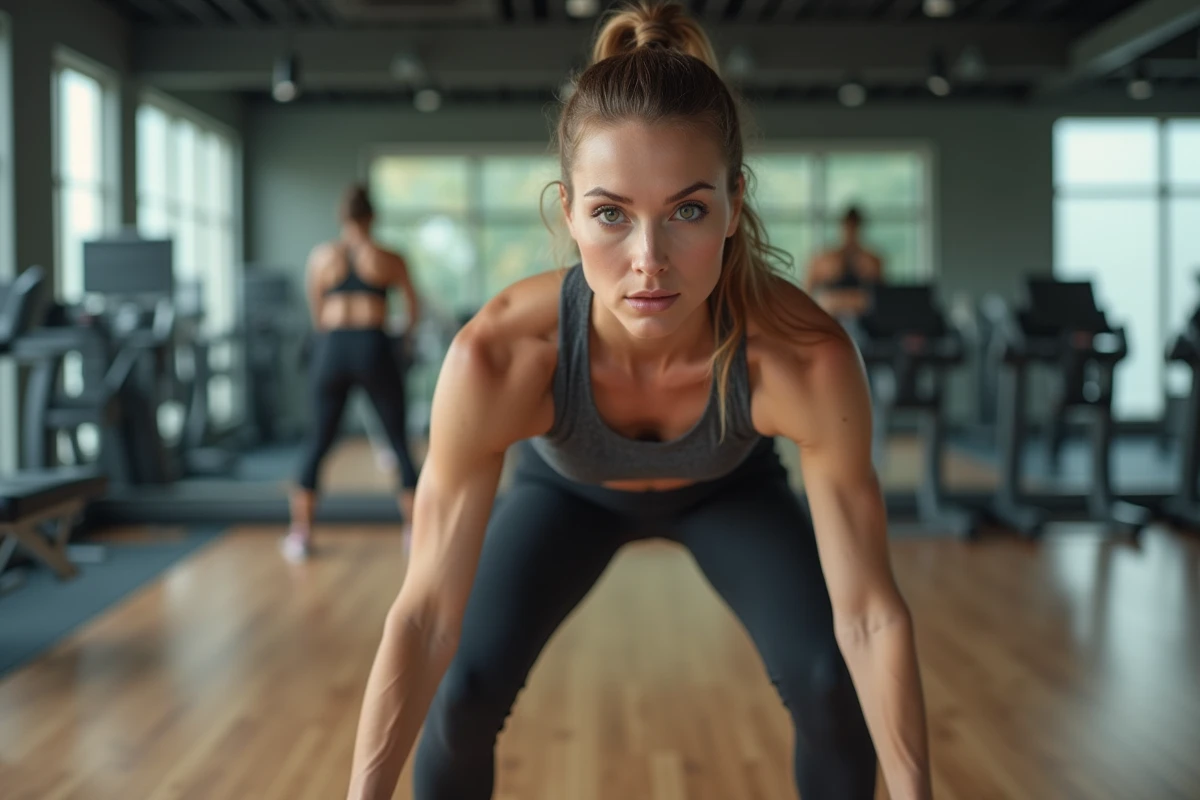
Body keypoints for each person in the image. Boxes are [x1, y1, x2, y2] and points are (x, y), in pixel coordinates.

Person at [345, 3, 930, 799]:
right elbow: (422, 620)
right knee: (465, 694)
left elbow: (870, 617)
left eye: (687, 211)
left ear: (733, 202)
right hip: (565, 493)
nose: (648, 261)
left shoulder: (803, 356)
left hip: (731, 491)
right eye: (612, 215)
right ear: (569, 212)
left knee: (831, 687)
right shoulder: (499, 356)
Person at [282, 184, 422, 563]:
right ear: (372, 216)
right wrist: (401, 342)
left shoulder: (322, 257)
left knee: (318, 441)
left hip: (331, 348)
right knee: (397, 441)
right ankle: (415, 532)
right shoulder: (389, 257)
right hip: (373, 346)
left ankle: (301, 535)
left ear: (341, 218)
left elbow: (316, 311)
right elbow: (412, 309)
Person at [803, 206, 885, 322]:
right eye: (848, 227)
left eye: (854, 227)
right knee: (827, 300)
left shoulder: (872, 261)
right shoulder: (824, 260)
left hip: (863, 319)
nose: (850, 232)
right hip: (830, 312)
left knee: (863, 301)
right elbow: (808, 292)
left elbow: (882, 298)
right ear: (842, 227)